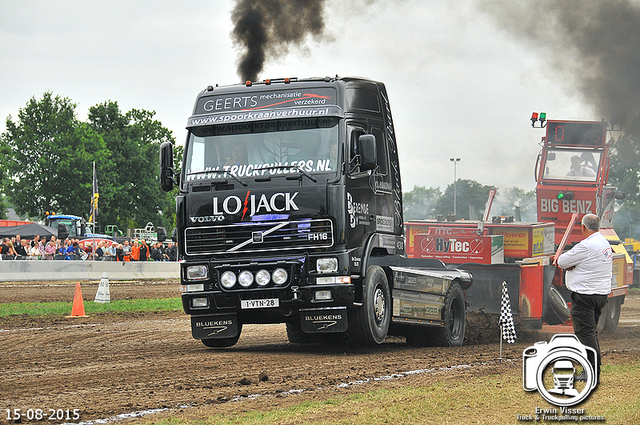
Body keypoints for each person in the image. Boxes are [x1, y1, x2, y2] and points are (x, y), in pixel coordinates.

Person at [556, 213, 612, 385]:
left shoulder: (586, 245)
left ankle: (592, 373)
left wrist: (572, 265)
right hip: (600, 295)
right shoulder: (604, 242)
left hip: (585, 296)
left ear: (583, 227)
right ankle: (593, 370)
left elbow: (562, 261)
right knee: (591, 333)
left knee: (585, 334)